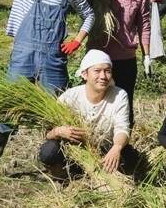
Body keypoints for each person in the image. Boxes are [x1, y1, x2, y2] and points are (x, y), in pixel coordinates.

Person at [0, 0, 95, 181]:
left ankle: (55, 166)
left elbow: (89, 14)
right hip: (24, 53)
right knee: (9, 109)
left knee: (55, 112)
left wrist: (77, 40)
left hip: (53, 59)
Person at [38, 50, 141, 180]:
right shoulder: (70, 97)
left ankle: (98, 173)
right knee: (49, 151)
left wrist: (117, 147)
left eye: (107, 71)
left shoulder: (119, 95)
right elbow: (47, 133)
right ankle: (63, 176)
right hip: (73, 150)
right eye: (97, 71)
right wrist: (58, 131)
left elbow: (123, 128)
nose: (103, 76)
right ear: (85, 74)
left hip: (104, 147)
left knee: (130, 158)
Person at [87, 0, 151, 128]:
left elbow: (144, 24)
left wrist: (147, 55)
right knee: (97, 102)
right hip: (99, 55)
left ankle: (123, 146)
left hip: (126, 58)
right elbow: (84, 8)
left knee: (124, 103)